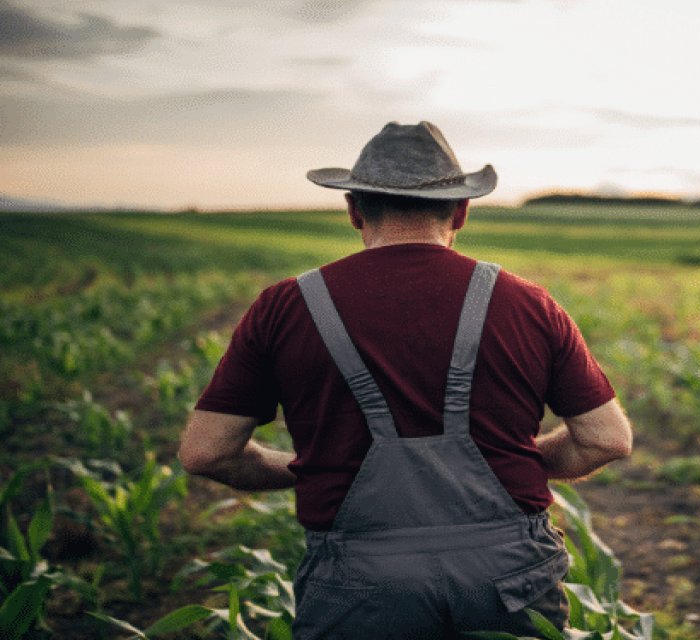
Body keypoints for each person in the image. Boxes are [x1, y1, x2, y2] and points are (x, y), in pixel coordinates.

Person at [178, 121, 633, 638]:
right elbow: (606, 439)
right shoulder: (527, 303)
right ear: (461, 210)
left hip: (359, 580)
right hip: (508, 574)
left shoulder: (286, 307)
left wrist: (309, 469)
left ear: (353, 209)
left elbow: (206, 452)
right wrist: (521, 461)